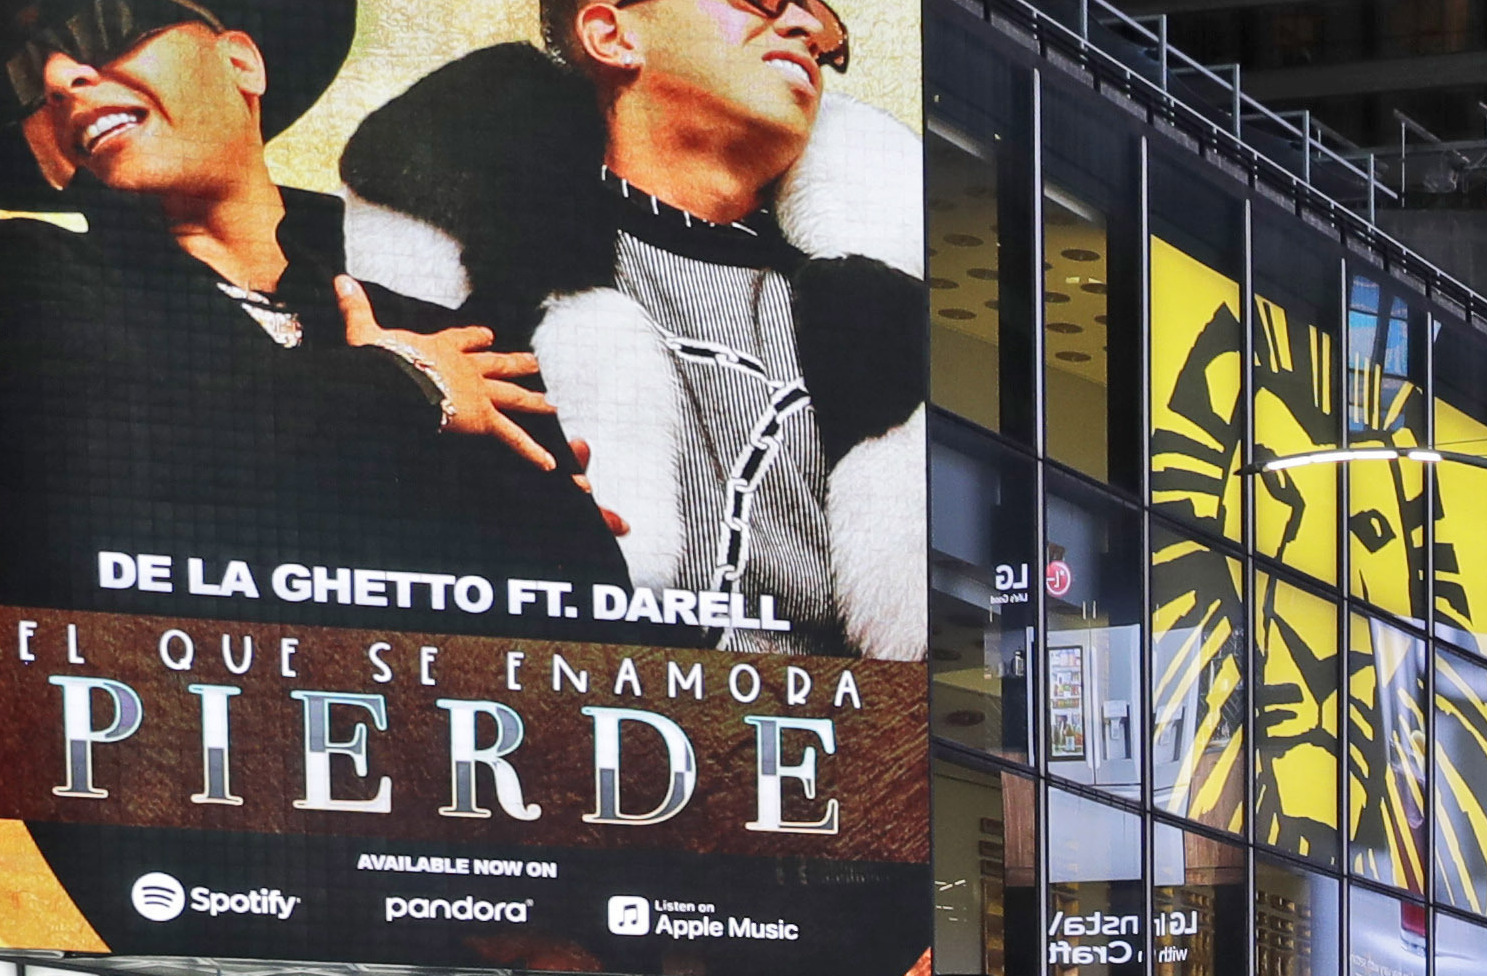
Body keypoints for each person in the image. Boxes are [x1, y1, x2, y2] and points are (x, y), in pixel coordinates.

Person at [0, 0, 634, 614]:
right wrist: (406, 388)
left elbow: (572, 594)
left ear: (241, 62)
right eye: (24, 72)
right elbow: (101, 471)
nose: (60, 77)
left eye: (103, 25)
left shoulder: (447, 323)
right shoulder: (24, 280)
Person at [337, 0, 927, 656]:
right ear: (612, 35)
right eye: (760, 1)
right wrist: (384, 396)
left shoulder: (873, 317)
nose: (810, 32)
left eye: (827, 26)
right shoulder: (461, 271)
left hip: (838, 742)